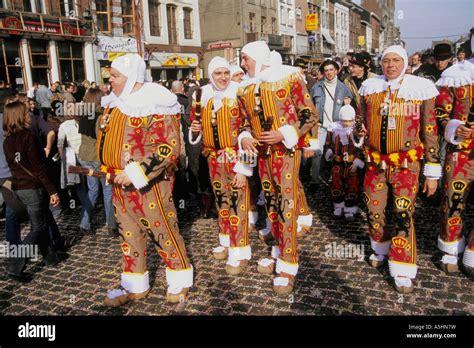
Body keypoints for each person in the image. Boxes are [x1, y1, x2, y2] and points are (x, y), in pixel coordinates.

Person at [98, 54, 193, 305]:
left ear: (130, 77)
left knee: (163, 231)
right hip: (118, 184)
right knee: (129, 235)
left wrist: (134, 172)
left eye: (115, 76)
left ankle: (179, 278)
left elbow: (168, 147)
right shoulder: (114, 103)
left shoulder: (157, 103)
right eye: (110, 76)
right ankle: (135, 283)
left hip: (149, 186)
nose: (111, 81)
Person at [355, 45, 441, 293]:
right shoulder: (370, 89)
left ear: (405, 63)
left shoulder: (419, 89)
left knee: (403, 212)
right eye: (386, 61)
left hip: (407, 164)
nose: (390, 65)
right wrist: (359, 132)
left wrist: (432, 172)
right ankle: (380, 247)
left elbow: (430, 130)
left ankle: (402, 265)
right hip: (375, 163)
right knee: (374, 210)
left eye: (395, 60)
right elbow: (361, 121)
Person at [238, 41, 318, 295]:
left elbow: (309, 115)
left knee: (286, 204)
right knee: (270, 202)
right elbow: (242, 122)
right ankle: (278, 249)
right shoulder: (244, 88)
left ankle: (288, 263)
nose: (242, 64)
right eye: (241, 59)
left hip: (285, 153)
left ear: (259, 58)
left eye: (246, 58)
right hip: (261, 156)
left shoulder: (287, 77)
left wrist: (285, 133)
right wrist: (245, 137)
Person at [189, 57, 253, 274]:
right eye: (218, 73)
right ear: (210, 75)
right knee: (221, 199)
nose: (223, 77)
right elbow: (195, 128)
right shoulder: (201, 95)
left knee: (238, 201)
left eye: (226, 72)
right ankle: (226, 240)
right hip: (214, 158)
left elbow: (249, 131)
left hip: (236, 156)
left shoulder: (240, 92)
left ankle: (240, 250)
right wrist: (195, 130)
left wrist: (244, 168)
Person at [3, 102, 63, 274]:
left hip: (19, 188)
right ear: (19, 116)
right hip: (31, 187)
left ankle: (50, 257)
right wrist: (52, 190)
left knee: (41, 223)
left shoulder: (7, 141)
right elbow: (39, 168)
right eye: (26, 112)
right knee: (37, 227)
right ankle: (15, 265)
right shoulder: (27, 137)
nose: (29, 114)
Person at [434, 63, 473, 278]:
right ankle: (450, 245)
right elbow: (440, 112)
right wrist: (454, 127)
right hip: (461, 150)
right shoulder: (456, 75)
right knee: (453, 199)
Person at [76, 88, 118, 236]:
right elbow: (101, 139)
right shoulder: (100, 117)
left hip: (84, 156)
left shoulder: (83, 115)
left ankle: (84, 223)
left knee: (92, 191)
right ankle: (111, 225)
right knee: (108, 191)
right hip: (96, 158)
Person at [310, 60, 353, 190]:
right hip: (321, 125)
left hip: (337, 126)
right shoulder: (316, 87)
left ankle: (334, 178)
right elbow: (310, 105)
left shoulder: (343, 88)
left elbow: (350, 108)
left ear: (336, 71)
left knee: (336, 153)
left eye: (331, 70)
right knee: (317, 152)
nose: (329, 73)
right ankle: (314, 180)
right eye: (326, 70)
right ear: (323, 72)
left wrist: (347, 105)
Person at [324, 105, 364, 220]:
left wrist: (357, 162)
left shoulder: (357, 130)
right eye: (344, 121)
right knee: (336, 184)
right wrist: (329, 152)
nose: (346, 124)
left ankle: (350, 208)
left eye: (349, 121)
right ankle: (338, 206)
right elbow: (327, 144)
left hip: (351, 164)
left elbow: (361, 148)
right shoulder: (334, 128)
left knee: (352, 185)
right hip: (338, 163)